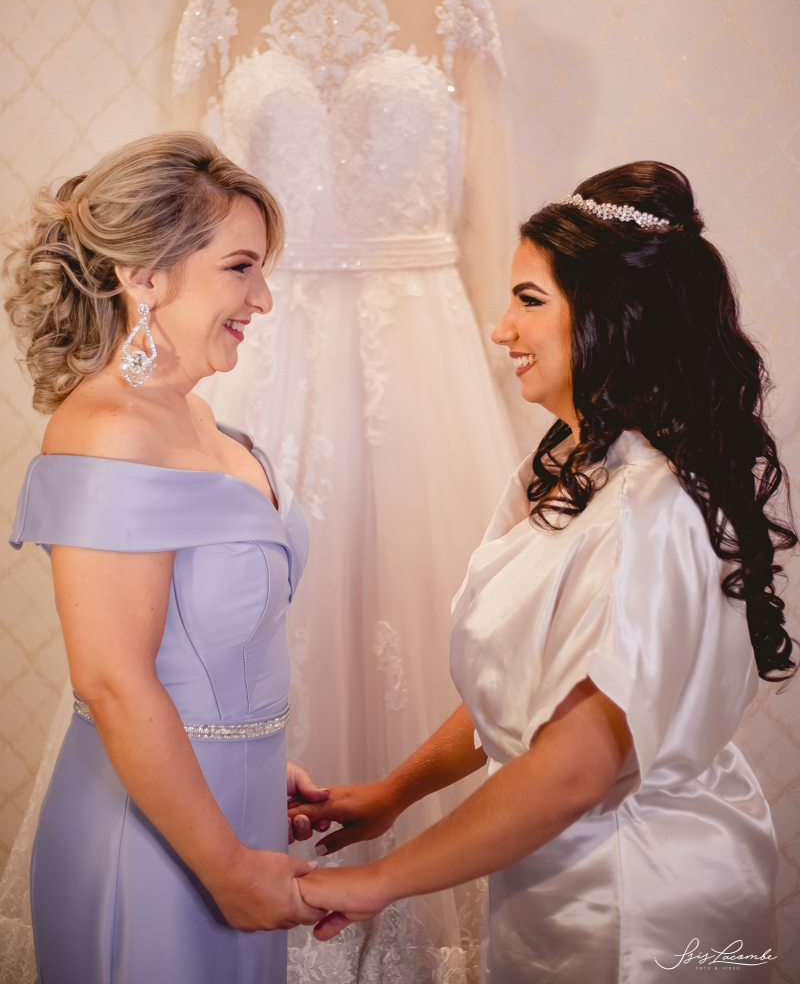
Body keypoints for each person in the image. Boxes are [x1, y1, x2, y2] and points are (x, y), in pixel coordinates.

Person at [288, 162, 796, 982]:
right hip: (565, 875)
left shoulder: (651, 505)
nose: (501, 330)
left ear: (612, 315)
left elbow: (575, 767)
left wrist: (378, 881)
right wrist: (396, 790)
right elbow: (533, 683)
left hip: (633, 900)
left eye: (529, 300)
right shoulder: (577, 468)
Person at [4, 132, 330, 984]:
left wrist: (250, 759)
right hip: (152, 843)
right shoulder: (110, 431)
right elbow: (112, 681)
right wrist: (229, 869)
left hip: (221, 810)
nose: (263, 298)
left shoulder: (197, 418)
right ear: (144, 276)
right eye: (240, 268)